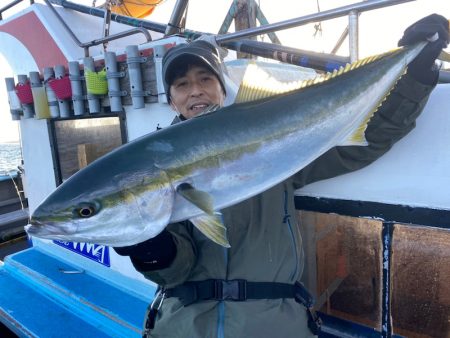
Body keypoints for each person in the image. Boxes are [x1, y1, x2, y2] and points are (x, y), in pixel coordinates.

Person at [115, 14, 449, 338]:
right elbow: (176, 272)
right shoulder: (152, 171)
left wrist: (416, 73)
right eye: (182, 84)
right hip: (185, 327)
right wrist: (151, 248)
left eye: (205, 79)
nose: (195, 91)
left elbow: (368, 141)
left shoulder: (274, 148)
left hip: (273, 325)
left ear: (221, 88)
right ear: (172, 100)